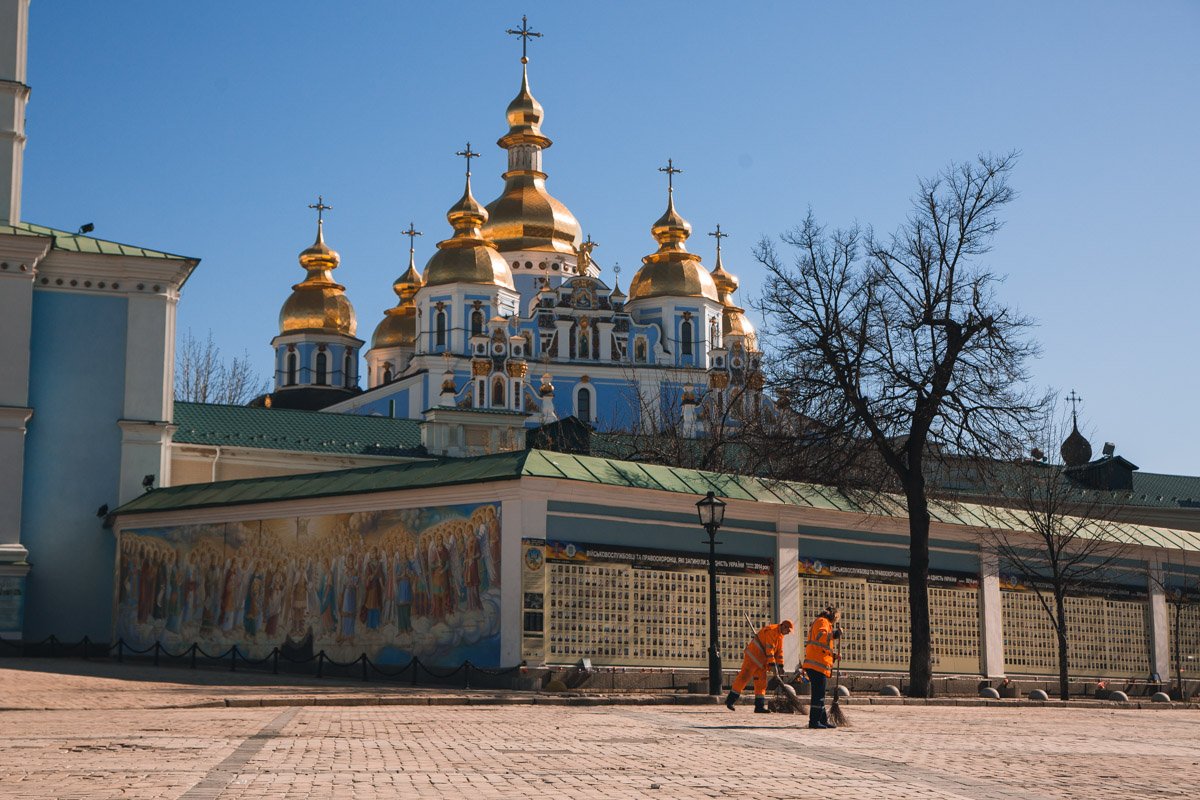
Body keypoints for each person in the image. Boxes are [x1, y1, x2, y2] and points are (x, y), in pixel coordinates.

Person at [725, 619, 794, 713]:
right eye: (788, 631)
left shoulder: (780, 636)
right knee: (743, 678)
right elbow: (769, 651)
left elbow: (779, 652)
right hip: (753, 658)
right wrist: (773, 665)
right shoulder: (771, 631)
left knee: (761, 683)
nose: (788, 633)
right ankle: (730, 700)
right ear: (784, 626)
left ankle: (759, 706)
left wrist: (780, 666)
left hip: (762, 662)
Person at [802, 605, 842, 729]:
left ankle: (822, 720)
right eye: (836, 617)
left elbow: (822, 648)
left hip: (818, 664)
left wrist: (834, 656)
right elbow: (821, 637)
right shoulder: (822, 622)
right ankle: (814, 722)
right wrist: (835, 634)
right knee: (818, 695)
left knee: (820, 695)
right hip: (816, 665)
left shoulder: (823, 622)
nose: (836, 620)